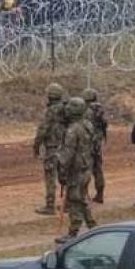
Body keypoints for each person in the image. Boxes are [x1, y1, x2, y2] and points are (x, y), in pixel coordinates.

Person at [55, 97, 97, 243]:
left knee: (74, 200)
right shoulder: (87, 125)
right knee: (81, 197)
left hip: (76, 169)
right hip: (86, 166)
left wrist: (62, 171)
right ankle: (92, 226)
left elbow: (67, 154)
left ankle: (73, 233)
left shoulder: (73, 129)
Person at [32, 83, 67, 214]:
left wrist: (36, 146)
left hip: (52, 148)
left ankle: (50, 205)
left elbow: (43, 129)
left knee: (50, 177)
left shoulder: (50, 111)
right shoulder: (66, 109)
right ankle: (68, 203)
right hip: (65, 147)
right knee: (66, 175)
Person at [82, 88, 108, 204]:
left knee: (85, 169)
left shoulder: (86, 111)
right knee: (98, 170)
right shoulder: (100, 110)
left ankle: (83, 195)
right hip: (98, 143)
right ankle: (100, 194)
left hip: (88, 144)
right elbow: (105, 125)